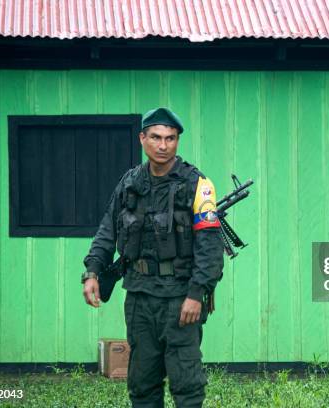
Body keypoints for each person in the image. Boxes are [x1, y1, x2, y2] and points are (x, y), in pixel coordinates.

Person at [81, 107, 224, 408]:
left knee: (187, 383)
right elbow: (108, 230)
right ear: (142, 139)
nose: (163, 145)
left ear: (177, 141)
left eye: (170, 138)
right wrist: (93, 272)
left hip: (180, 299)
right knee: (142, 383)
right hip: (139, 297)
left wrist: (197, 294)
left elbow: (210, 248)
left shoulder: (198, 185)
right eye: (156, 137)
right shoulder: (129, 182)